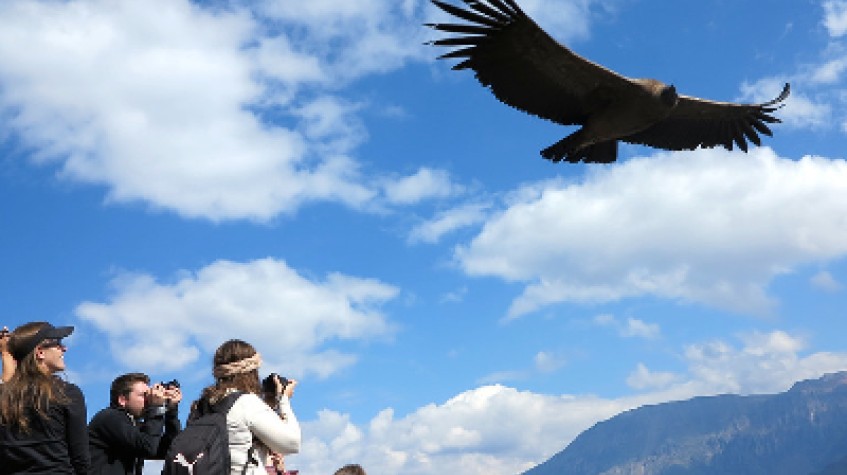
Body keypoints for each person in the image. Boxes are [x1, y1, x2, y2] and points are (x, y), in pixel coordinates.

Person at [192, 339, 300, 475]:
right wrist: (283, 399)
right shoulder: (246, 402)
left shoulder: (201, 406)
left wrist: (269, 404)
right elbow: (292, 443)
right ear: (251, 372)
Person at [0, 322, 90, 475]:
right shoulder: (67, 393)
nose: (64, 348)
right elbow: (81, 459)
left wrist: (6, 353)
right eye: (58, 343)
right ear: (40, 352)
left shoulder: (3, 397)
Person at [88, 373, 183, 474]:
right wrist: (157, 408)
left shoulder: (134, 425)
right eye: (144, 395)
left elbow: (170, 449)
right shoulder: (109, 418)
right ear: (122, 400)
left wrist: (171, 411)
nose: (148, 400)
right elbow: (147, 447)